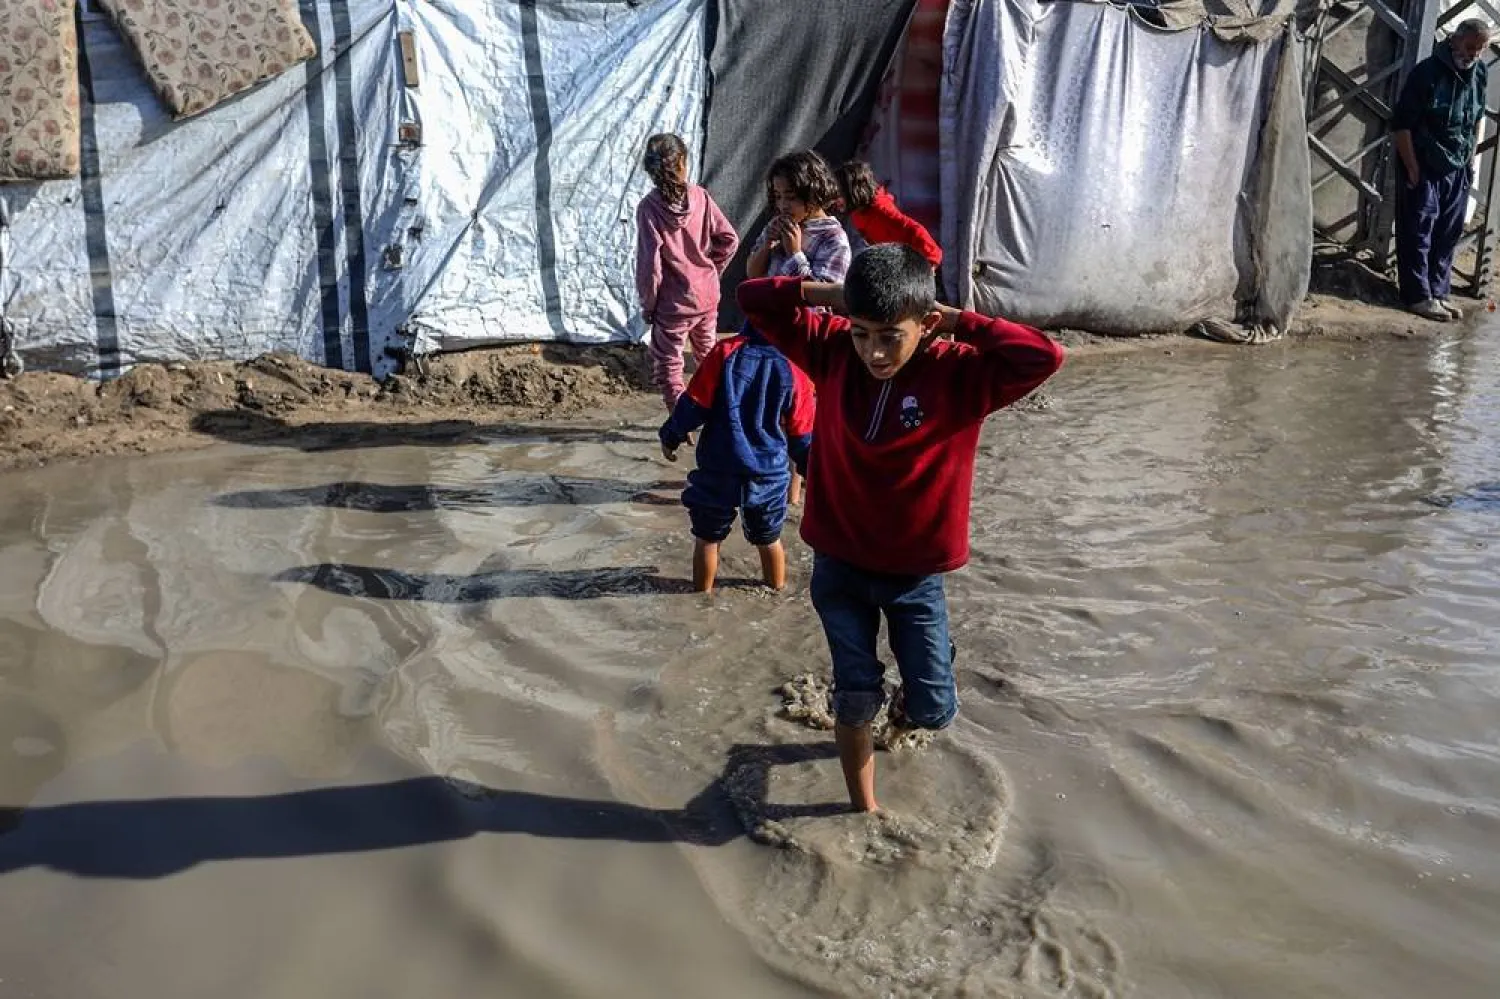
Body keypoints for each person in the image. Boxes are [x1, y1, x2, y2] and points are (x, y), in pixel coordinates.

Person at [738, 244, 1065, 813]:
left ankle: (917, 687)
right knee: (854, 695)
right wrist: (841, 298)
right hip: (838, 568)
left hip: (914, 580)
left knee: (935, 708)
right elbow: (753, 299)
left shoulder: (961, 374)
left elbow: (1043, 356)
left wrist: (957, 318)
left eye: (891, 335)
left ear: (929, 325)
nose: (874, 352)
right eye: (862, 333)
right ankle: (861, 810)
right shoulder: (834, 353)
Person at [659, 325, 815, 594]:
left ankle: (700, 600)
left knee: (707, 538)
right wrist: (812, 469)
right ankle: (775, 594)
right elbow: (802, 432)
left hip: (719, 467)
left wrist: (671, 435)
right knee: (769, 539)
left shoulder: (725, 352)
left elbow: (694, 404)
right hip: (768, 473)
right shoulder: (795, 365)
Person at [746, 150, 851, 506]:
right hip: (763, 330)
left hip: (802, 339)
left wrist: (795, 254)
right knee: (761, 404)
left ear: (814, 193)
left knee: (797, 411)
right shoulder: (778, 227)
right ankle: (764, 477)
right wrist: (771, 245)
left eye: (791, 196)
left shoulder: (833, 238)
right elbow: (753, 273)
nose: (783, 204)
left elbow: (825, 298)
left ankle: (793, 488)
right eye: (777, 196)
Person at [1391, 20, 1491, 322]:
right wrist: (1412, 168)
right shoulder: (1427, 73)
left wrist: (1470, 159)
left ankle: (1438, 292)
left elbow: (1476, 118)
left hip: (1458, 165)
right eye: (1470, 47)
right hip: (1425, 163)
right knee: (1419, 230)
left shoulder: (1479, 73)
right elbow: (1401, 126)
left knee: (1448, 234)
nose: (1474, 53)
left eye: (1481, 48)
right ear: (1454, 41)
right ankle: (1417, 296)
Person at [636, 133, 740, 412]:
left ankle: (680, 425)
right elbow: (729, 239)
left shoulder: (649, 209)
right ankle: (721, 412)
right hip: (706, 296)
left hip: (673, 304)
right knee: (708, 356)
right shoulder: (701, 197)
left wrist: (649, 304)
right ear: (682, 162)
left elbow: (650, 266)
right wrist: (711, 271)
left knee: (670, 364)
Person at [834, 160, 942, 269]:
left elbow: (916, 231)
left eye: (839, 193)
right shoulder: (859, 213)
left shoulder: (882, 213)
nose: (835, 199)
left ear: (853, 191)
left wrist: (929, 265)